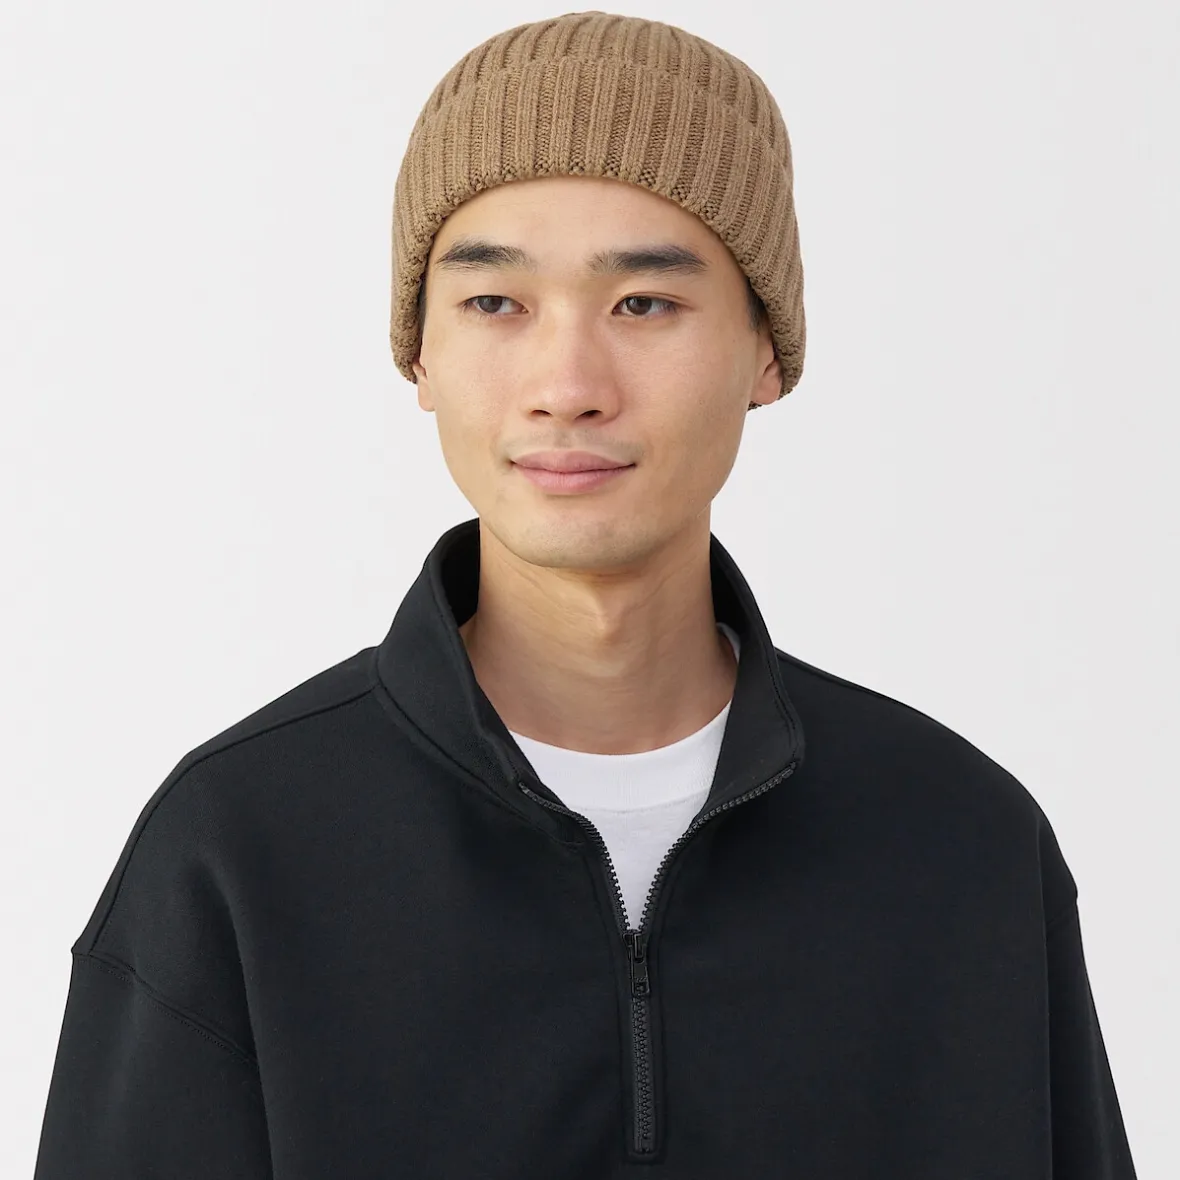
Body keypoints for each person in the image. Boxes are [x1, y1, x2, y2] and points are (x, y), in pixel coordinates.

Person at [34, 12, 1137, 1178]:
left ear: (765, 351)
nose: (566, 385)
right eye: (494, 303)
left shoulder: (959, 843)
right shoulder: (237, 849)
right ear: (420, 354)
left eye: (643, 303)